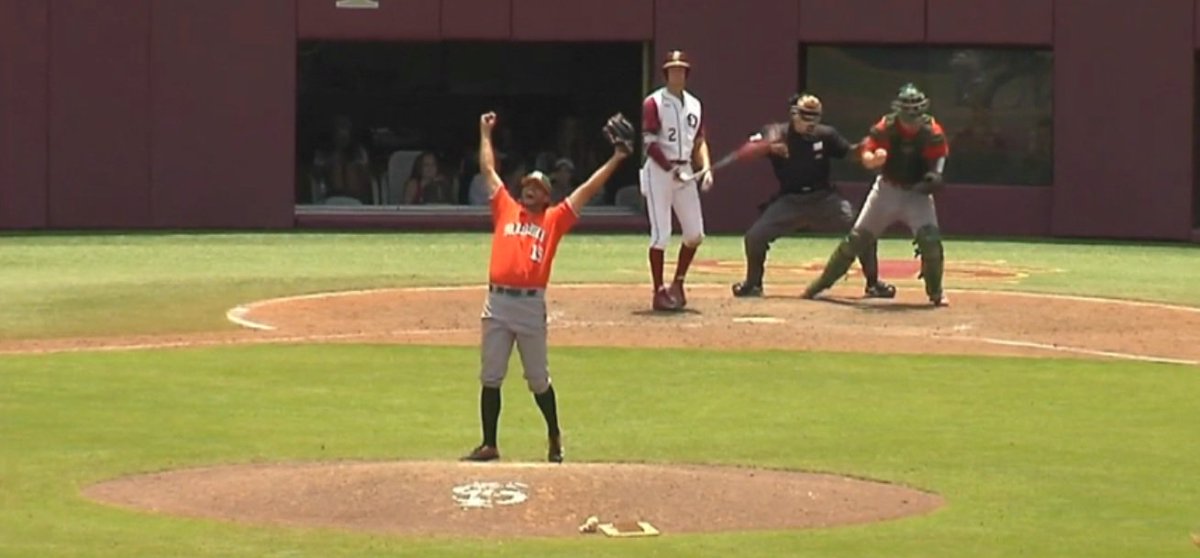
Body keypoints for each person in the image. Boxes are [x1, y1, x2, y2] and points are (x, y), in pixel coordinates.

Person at [461, 111, 633, 463]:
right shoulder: (506, 209)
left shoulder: (554, 220)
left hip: (528, 306)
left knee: (538, 379)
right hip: (497, 302)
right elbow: (488, 171)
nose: (528, 189)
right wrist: (484, 132)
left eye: (536, 187)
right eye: (526, 185)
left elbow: (587, 190)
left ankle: (554, 434)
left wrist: (616, 158)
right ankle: (489, 443)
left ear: (546, 196)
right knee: (490, 376)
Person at [728, 93, 895, 299]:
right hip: (790, 201)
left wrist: (864, 146)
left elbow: (850, 153)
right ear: (793, 115)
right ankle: (753, 284)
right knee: (755, 237)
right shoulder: (776, 132)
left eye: (814, 118)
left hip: (824, 199)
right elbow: (746, 152)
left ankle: (873, 283)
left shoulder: (825, 135)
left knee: (863, 230)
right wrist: (768, 147)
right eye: (805, 117)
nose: (810, 123)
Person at [803, 84, 951, 307]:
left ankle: (935, 291)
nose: (912, 119)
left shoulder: (931, 130)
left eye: (915, 112)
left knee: (930, 242)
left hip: (916, 194)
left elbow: (940, 156)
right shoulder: (887, 127)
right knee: (856, 240)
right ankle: (821, 284)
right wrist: (871, 159)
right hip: (887, 190)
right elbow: (868, 148)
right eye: (907, 112)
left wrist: (935, 175)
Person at [640, 49, 713, 311]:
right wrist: (670, 168)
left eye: (681, 69)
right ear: (666, 73)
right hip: (659, 171)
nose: (677, 73)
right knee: (661, 234)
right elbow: (649, 144)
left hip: (685, 171)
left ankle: (678, 283)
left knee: (695, 233)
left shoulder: (695, 104)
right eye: (673, 69)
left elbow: (700, 141)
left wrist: (705, 168)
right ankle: (658, 291)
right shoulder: (654, 102)